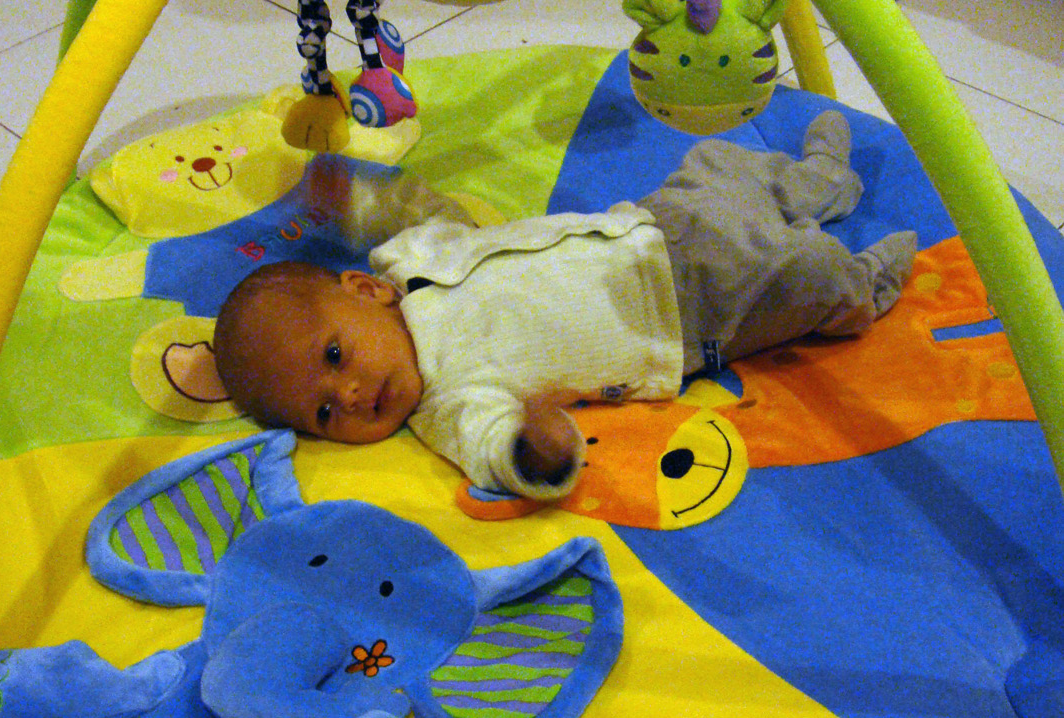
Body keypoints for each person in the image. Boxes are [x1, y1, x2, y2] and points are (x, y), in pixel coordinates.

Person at [213, 111, 916, 500]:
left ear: (366, 291)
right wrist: (536, 449)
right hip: (695, 314)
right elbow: (492, 448)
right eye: (323, 413)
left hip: (651, 225)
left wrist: (354, 203)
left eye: (335, 356)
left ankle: (818, 183)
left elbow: (428, 212)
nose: (349, 394)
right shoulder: (447, 401)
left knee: (718, 162)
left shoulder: (406, 260)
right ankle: (861, 286)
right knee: (802, 273)